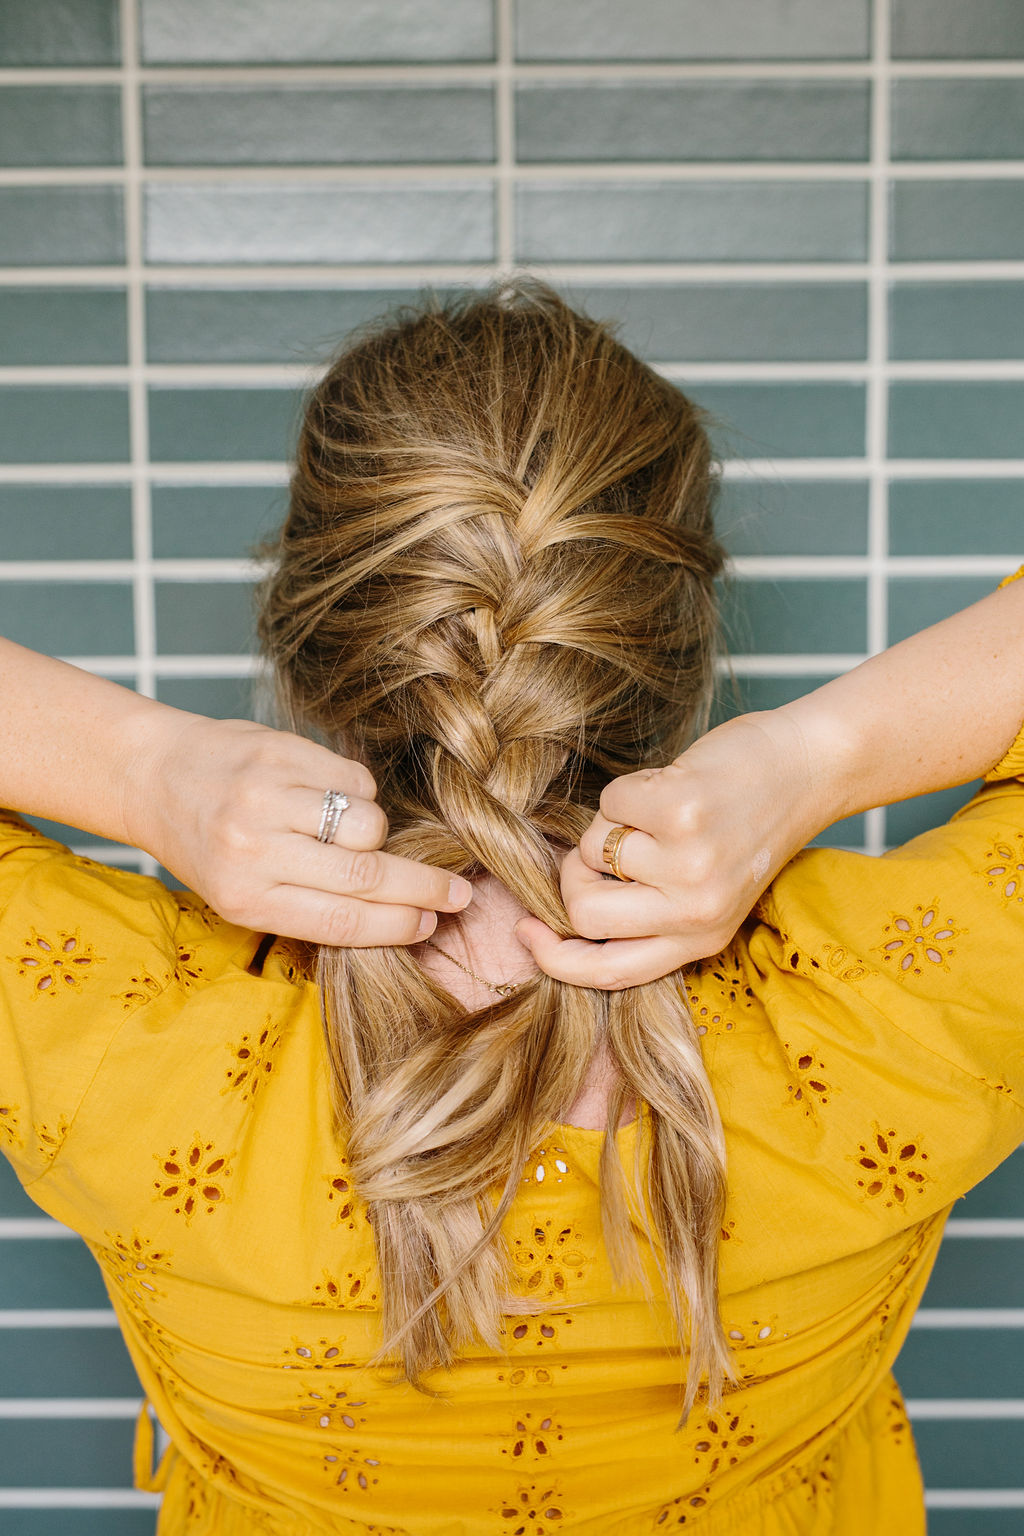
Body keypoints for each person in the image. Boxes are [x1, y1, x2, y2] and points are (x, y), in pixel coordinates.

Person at [0, 281, 1021, 1536]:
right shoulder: (896, 1001)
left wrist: (141, 769)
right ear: (685, 637)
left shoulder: (118, 1036)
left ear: (309, 639)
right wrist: (809, 759)